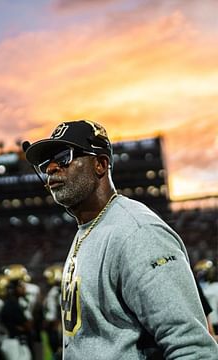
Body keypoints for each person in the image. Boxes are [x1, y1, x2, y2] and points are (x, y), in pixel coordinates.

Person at [22, 120, 218, 358]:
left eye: (64, 157)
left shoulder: (138, 232)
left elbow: (192, 348)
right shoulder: (89, 229)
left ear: (100, 165)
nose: (51, 168)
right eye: (45, 164)